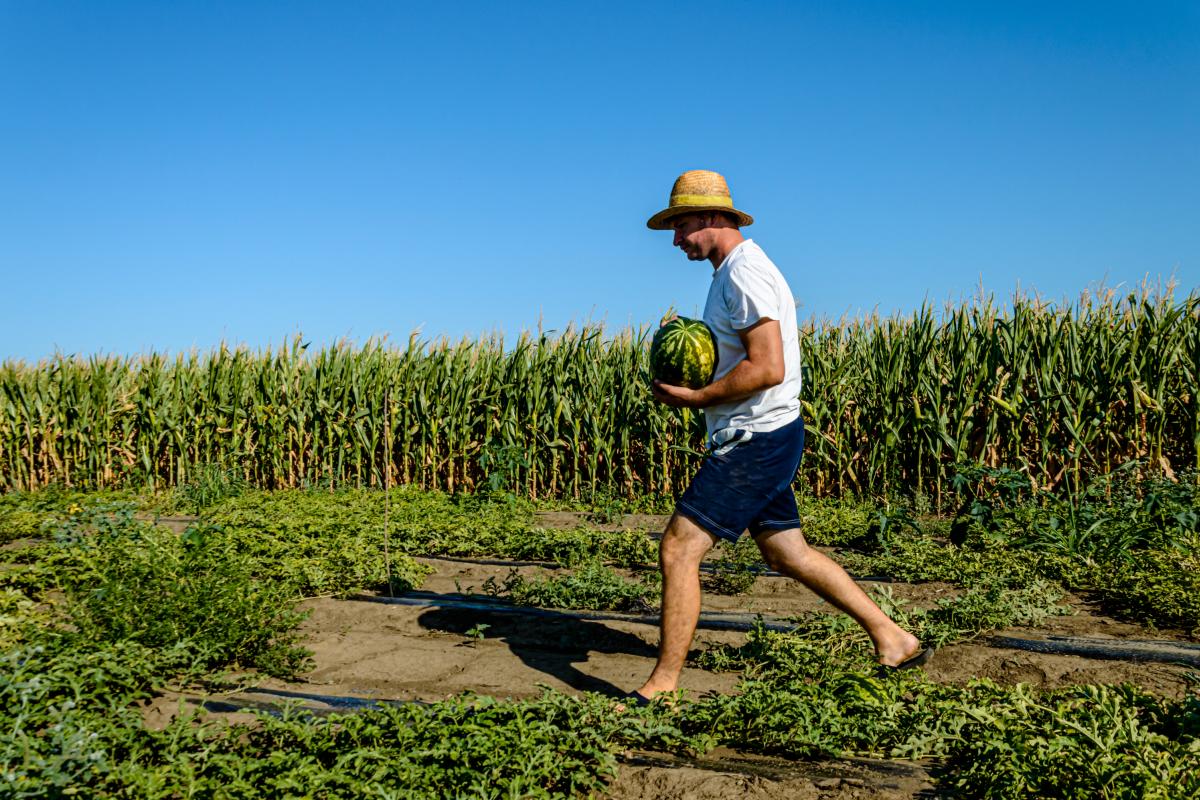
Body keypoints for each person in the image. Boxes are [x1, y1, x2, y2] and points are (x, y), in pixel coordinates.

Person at [625, 170, 929, 706]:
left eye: (680, 226)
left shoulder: (744, 274)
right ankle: (894, 637)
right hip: (764, 433)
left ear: (712, 218)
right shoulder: (730, 274)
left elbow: (767, 367)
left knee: (678, 549)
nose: (675, 239)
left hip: (756, 438)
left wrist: (695, 399)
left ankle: (663, 685)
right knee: (788, 552)